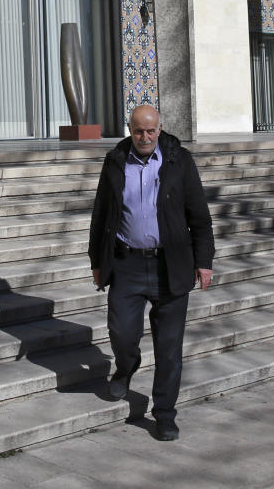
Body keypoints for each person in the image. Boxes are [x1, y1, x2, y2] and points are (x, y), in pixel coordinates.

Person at [88, 104, 214, 441]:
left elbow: (199, 214)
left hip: (170, 265)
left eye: (151, 131)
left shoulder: (179, 160)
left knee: (169, 348)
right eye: (138, 131)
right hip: (126, 264)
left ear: (160, 129)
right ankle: (126, 367)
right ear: (129, 129)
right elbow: (101, 214)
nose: (145, 137)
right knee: (121, 332)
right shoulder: (115, 161)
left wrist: (204, 261)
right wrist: (97, 262)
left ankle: (165, 414)